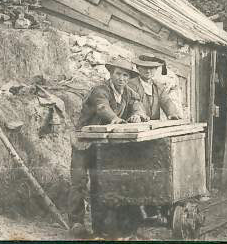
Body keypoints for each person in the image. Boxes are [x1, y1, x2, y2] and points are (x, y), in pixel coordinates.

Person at [68, 55, 148, 237]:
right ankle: (76, 223)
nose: (122, 78)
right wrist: (115, 119)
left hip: (102, 146)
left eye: (126, 76)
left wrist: (138, 114)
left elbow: (137, 104)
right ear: (111, 73)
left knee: (99, 185)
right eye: (118, 74)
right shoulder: (100, 90)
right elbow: (102, 108)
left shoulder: (128, 92)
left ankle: (99, 227)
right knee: (78, 183)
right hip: (84, 143)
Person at [127, 55, 183, 121]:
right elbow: (135, 102)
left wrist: (172, 113)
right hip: (136, 121)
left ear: (156, 69)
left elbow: (166, 101)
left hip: (153, 123)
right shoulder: (132, 84)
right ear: (138, 68)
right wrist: (138, 114)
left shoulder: (158, 85)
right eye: (144, 67)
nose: (148, 71)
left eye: (151, 68)